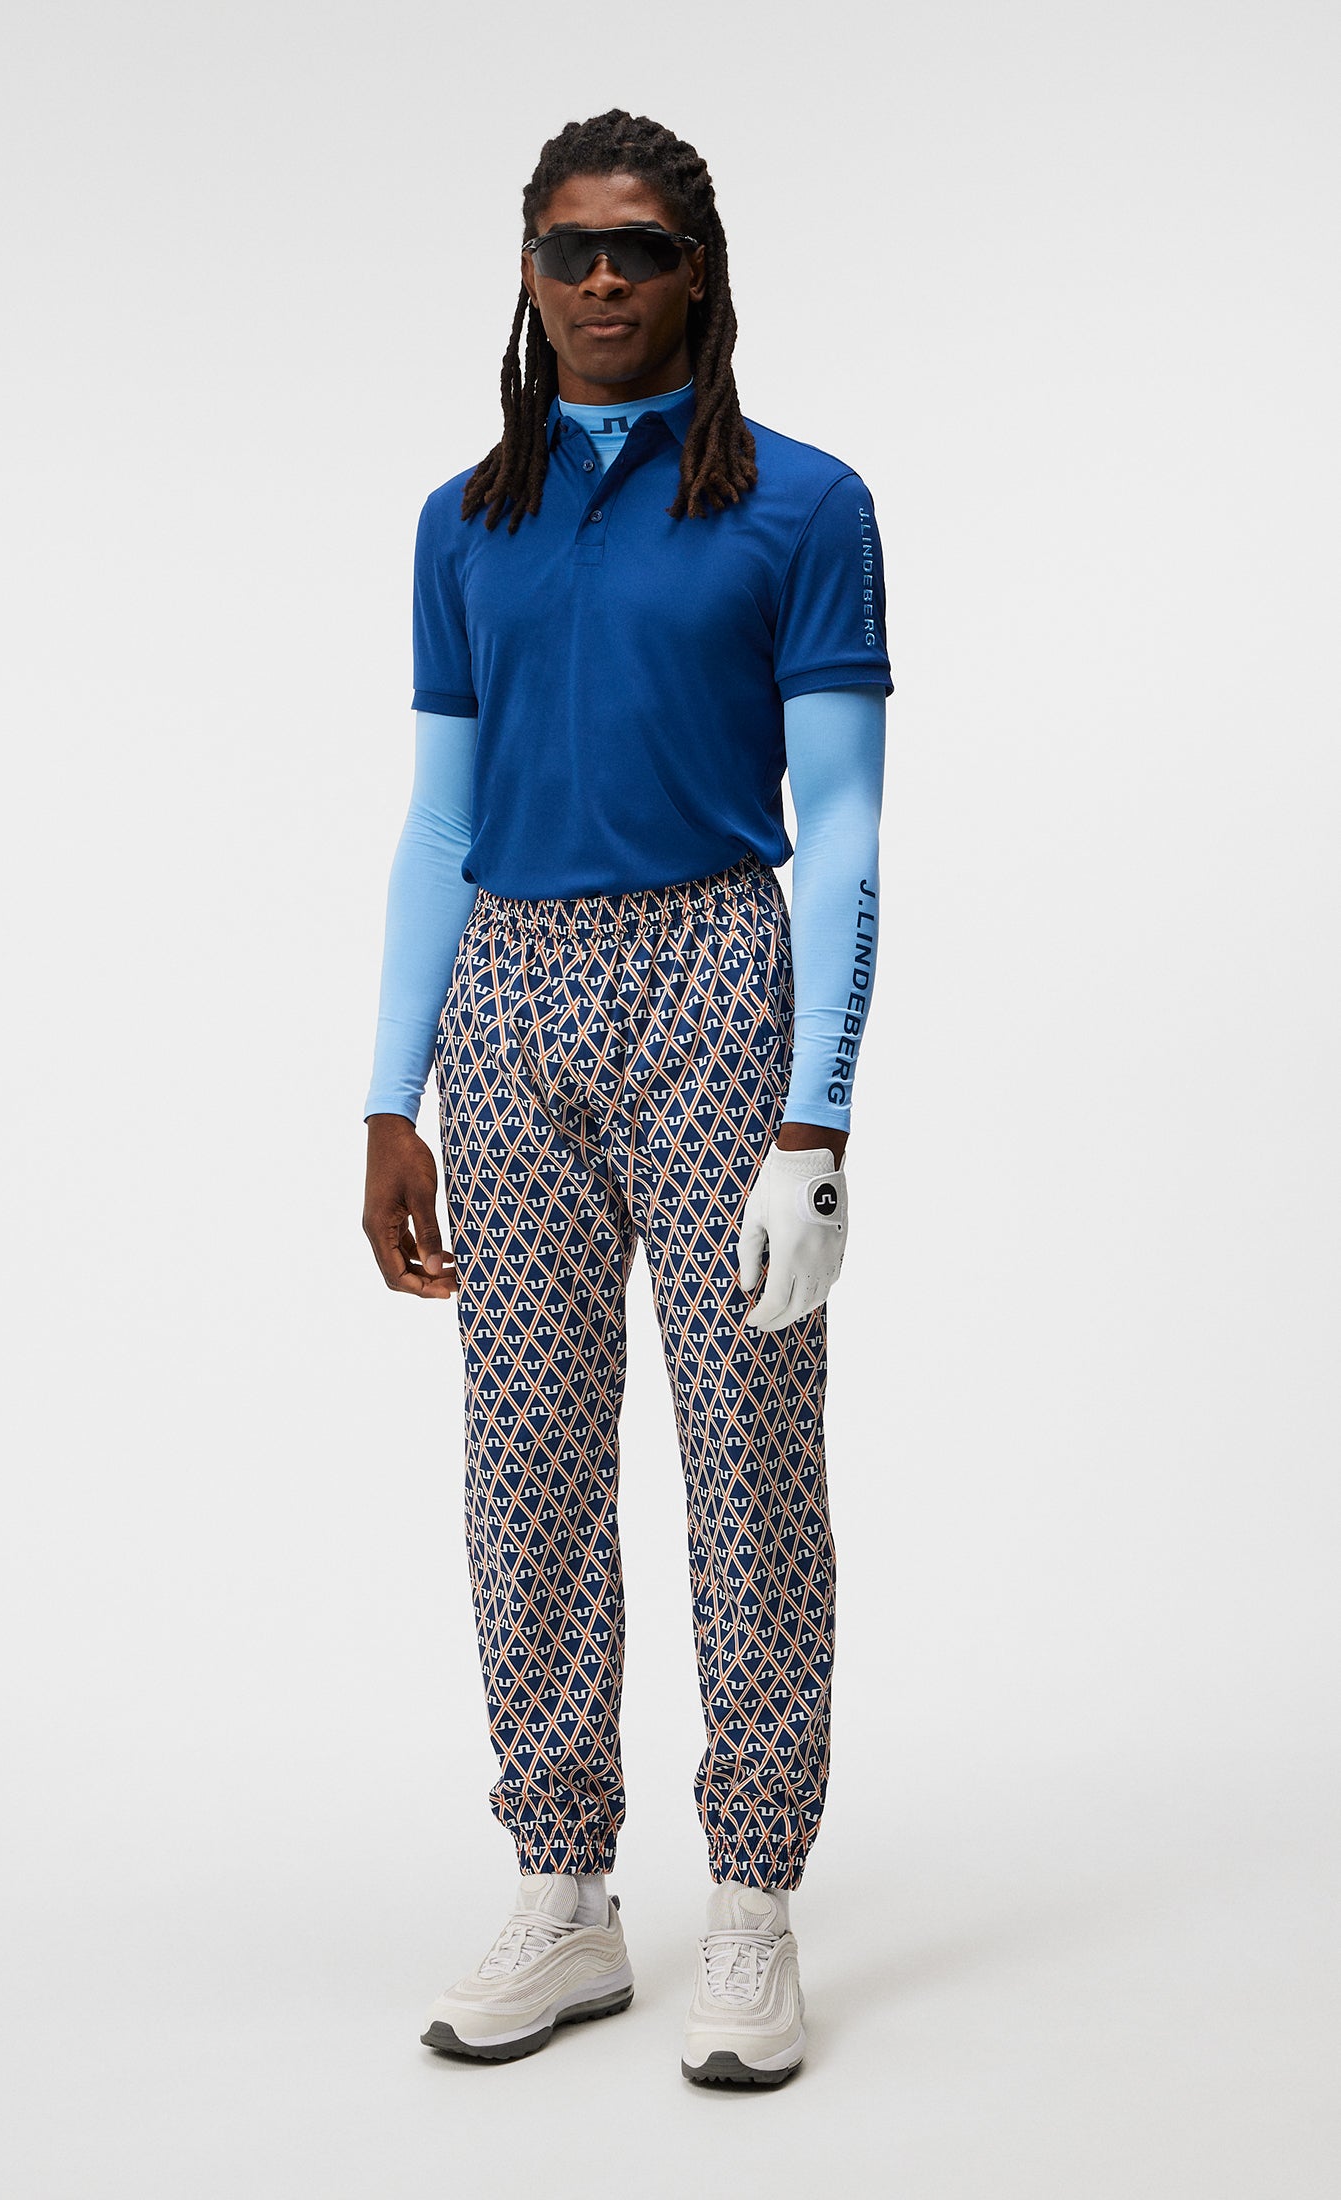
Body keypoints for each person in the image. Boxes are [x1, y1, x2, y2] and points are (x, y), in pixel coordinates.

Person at [361, 108, 891, 2088]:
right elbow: (439, 818)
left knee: (748, 1449)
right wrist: (385, 1095)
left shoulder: (800, 505)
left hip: (711, 976)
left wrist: (816, 1118)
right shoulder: (464, 522)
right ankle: (563, 1886)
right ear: (526, 269)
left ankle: (749, 1900)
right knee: (523, 1454)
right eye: (571, 247)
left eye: (642, 247)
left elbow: (841, 823)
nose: (603, 278)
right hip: (503, 996)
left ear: (698, 273)